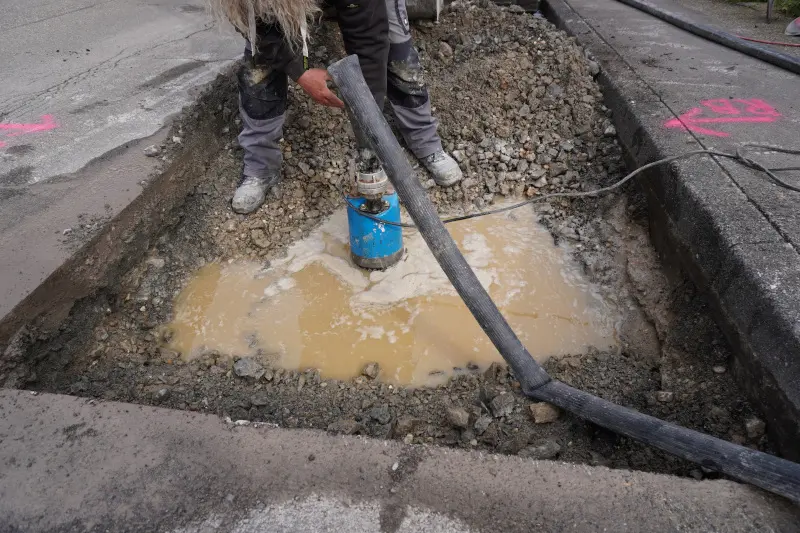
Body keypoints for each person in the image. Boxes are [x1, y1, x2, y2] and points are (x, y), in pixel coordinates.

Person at [210, 0, 463, 214]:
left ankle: (426, 142)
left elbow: (369, 41)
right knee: (258, 63)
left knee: (398, 50)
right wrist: (302, 72)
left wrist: (368, 132)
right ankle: (260, 168)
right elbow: (256, 26)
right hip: (269, 6)